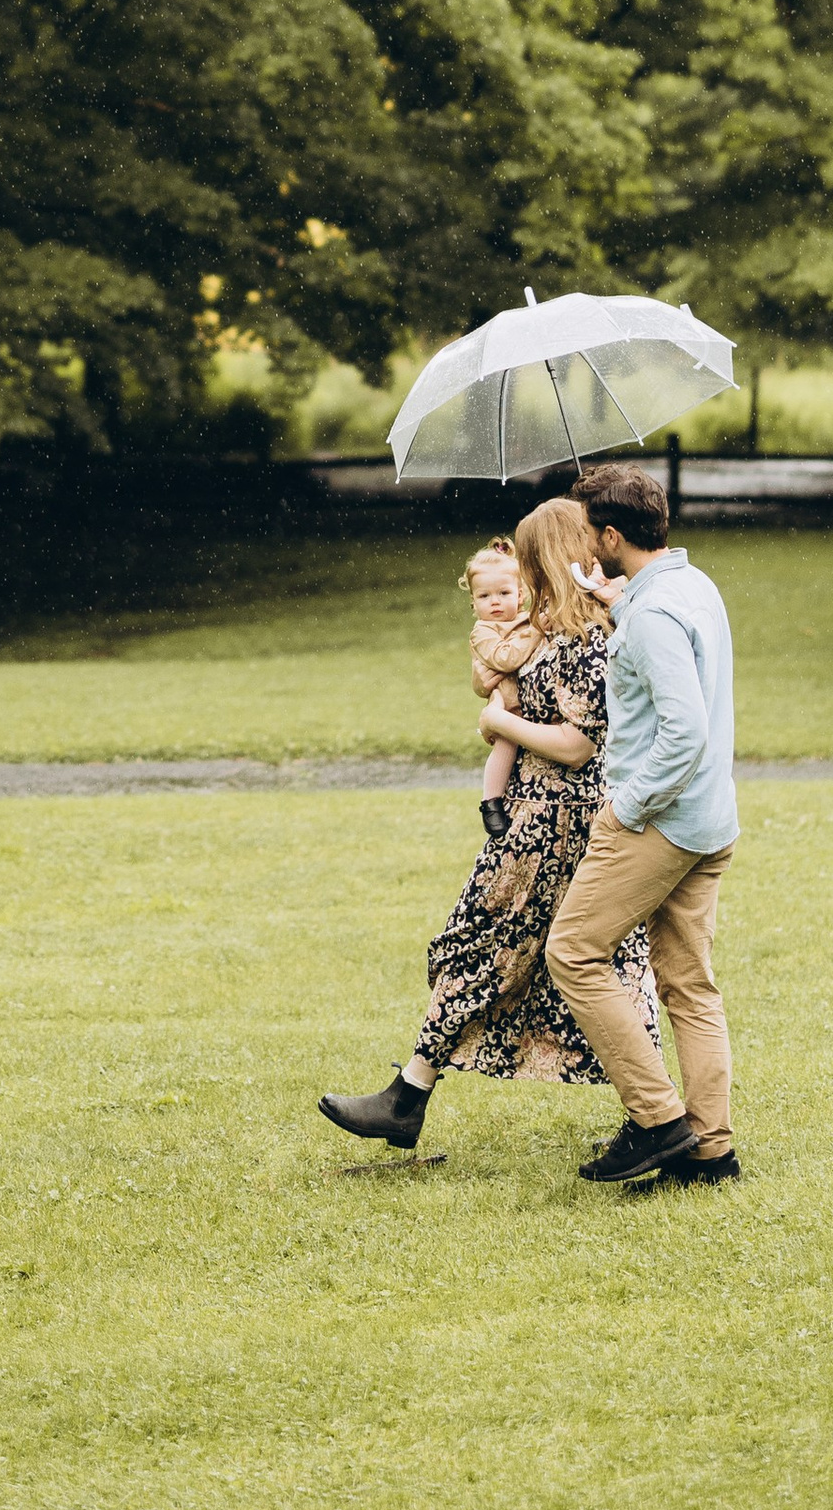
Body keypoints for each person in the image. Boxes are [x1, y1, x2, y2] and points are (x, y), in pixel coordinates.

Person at [318, 498, 662, 1152]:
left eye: (529, 558)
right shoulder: (555, 631)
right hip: (539, 818)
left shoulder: (586, 640)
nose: (522, 570)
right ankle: (410, 1095)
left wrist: (499, 724)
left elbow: (578, 744)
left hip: (557, 827)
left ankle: (654, 1116)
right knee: (553, 960)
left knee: (509, 952)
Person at [543, 460, 743, 1191]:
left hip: (660, 820)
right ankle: (711, 1153)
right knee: (689, 984)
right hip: (711, 818)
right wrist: (615, 603)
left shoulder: (654, 612)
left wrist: (626, 806)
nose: (584, 542)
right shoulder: (687, 586)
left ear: (613, 533)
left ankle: (658, 1120)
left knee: (572, 952)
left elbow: (682, 731)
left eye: (590, 531)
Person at [462, 536, 535, 833]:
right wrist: (536, 633)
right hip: (508, 708)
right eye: (484, 596)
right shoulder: (483, 632)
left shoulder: (530, 620)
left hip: (535, 708)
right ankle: (490, 801)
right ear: (474, 602)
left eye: (503, 593)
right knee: (505, 746)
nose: (494, 602)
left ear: (521, 594)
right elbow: (505, 659)